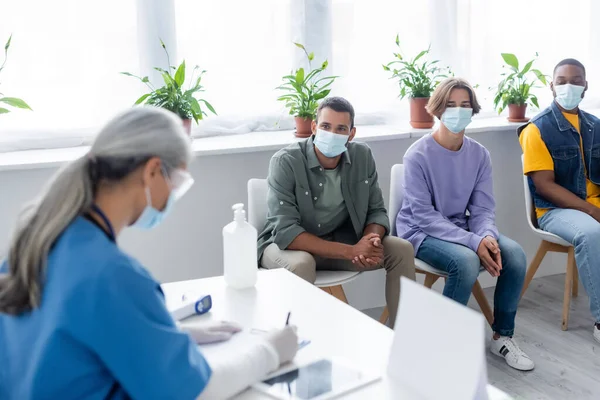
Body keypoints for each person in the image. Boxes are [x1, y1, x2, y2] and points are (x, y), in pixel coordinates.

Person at [0, 107, 297, 400]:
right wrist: (270, 351)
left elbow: (70, 340)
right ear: (153, 170)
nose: (172, 197)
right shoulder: (112, 275)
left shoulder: (35, 243)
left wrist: (167, 334)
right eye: (176, 183)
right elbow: (196, 390)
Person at [396, 78, 534, 371]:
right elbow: (423, 215)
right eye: (451, 105)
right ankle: (445, 344)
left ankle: (502, 337)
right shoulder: (417, 156)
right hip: (420, 232)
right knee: (466, 262)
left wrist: (486, 235)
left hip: (463, 227)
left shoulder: (479, 154)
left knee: (516, 255)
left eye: (465, 105)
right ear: (437, 109)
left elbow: (483, 208)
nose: (458, 111)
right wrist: (474, 242)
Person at [258, 96, 416, 328]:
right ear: (313, 127)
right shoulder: (285, 161)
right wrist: (351, 251)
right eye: (325, 126)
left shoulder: (362, 156)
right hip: (286, 247)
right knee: (302, 264)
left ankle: (405, 337)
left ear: (351, 134)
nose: (332, 134)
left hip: (342, 243)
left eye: (341, 129)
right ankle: (300, 345)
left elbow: (376, 211)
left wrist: (369, 238)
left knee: (401, 249)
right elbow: (286, 232)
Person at [518, 58, 600, 343]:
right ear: (551, 86)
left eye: (576, 80)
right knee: (591, 232)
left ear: (585, 86)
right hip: (555, 210)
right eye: (562, 81)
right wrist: (591, 210)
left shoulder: (595, 126)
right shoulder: (536, 129)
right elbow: (545, 185)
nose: (569, 86)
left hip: (593, 204)